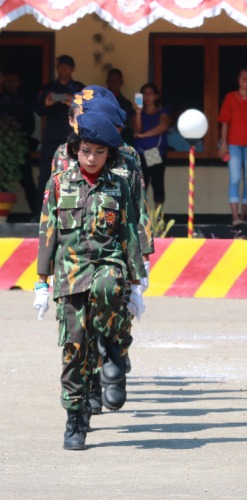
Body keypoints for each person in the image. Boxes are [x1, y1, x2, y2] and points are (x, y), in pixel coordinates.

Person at [34, 112, 145, 450]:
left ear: (109, 154)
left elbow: (128, 231)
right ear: (76, 150)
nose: (92, 158)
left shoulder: (118, 184)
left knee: (109, 285)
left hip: (106, 262)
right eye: (85, 151)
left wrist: (137, 283)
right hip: (69, 273)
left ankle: (112, 343)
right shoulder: (58, 182)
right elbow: (47, 232)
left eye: (99, 152)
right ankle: (76, 418)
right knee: (74, 349)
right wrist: (41, 283)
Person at [34, 55, 85, 216]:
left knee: (74, 174)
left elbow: (88, 110)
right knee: (45, 177)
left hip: (72, 137)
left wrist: (73, 103)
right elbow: (39, 110)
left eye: (67, 67)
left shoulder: (78, 88)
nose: (64, 70)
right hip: (51, 137)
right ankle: (39, 213)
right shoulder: (48, 86)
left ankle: (73, 213)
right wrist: (47, 103)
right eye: (61, 67)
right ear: (57, 68)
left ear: (72, 69)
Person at [218, 68, 247, 226]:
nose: (245, 80)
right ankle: (235, 217)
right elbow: (224, 121)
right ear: (238, 80)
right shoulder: (230, 97)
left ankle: (243, 216)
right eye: (242, 77)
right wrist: (223, 143)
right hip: (233, 143)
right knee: (235, 178)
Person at [0, 70, 37, 218]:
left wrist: (22, 139)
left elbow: (30, 123)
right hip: (4, 145)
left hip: (18, 146)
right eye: (7, 80)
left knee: (27, 180)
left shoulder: (22, 100)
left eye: (13, 80)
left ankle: (37, 214)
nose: (10, 83)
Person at [132, 83, 170, 210]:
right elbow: (137, 129)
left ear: (156, 96)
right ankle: (143, 219)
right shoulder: (139, 113)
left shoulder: (162, 111)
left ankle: (158, 220)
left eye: (150, 94)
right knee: (143, 184)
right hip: (141, 152)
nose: (147, 97)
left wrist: (144, 135)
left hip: (154, 152)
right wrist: (138, 113)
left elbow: (163, 126)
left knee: (157, 183)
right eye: (144, 94)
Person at [105, 68, 135, 144]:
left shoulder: (126, 103)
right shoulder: (99, 100)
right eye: (111, 80)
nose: (114, 83)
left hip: (122, 140)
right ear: (107, 81)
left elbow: (127, 123)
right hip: (103, 136)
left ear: (121, 82)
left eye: (117, 80)